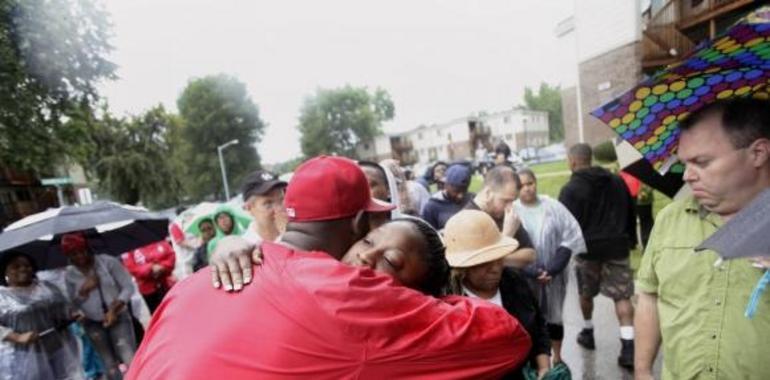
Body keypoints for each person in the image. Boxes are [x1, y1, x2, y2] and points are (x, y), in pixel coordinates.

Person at [127, 156, 531, 379]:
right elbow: (507, 336)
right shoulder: (346, 299)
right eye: (370, 238)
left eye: (391, 262)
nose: (366, 262)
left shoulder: (189, 288)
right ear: (358, 225)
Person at [635, 98, 770, 380]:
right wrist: (643, 370)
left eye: (702, 162)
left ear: (758, 153)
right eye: (684, 162)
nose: (687, 175)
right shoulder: (670, 220)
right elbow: (649, 295)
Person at [443, 210, 551, 380]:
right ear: (462, 267)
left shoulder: (514, 281)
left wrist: (544, 368)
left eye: (498, 258)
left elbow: (539, 326)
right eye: (484, 262)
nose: (495, 268)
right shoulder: (446, 304)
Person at [559, 143, 636, 369]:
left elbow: (566, 224)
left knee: (586, 293)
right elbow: (630, 210)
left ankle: (588, 331)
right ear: (590, 158)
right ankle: (628, 348)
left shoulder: (570, 189)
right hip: (617, 246)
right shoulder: (616, 180)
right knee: (622, 296)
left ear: (572, 161)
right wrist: (629, 239)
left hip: (587, 250)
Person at [515, 168, 586, 365]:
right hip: (525, 275)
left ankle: (557, 355)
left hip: (555, 275)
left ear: (535, 182)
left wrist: (553, 268)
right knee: (530, 317)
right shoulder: (512, 211)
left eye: (530, 183)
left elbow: (571, 234)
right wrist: (531, 271)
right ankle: (534, 359)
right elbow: (508, 246)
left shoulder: (553, 206)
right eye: (521, 186)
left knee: (555, 316)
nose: (527, 189)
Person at [62, 232, 137, 380]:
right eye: (73, 254)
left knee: (129, 357)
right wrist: (84, 291)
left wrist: (115, 309)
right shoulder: (69, 275)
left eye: (82, 251)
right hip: (92, 323)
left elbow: (128, 287)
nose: (80, 257)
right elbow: (71, 303)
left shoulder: (107, 262)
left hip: (119, 316)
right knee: (108, 364)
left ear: (88, 248)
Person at [0, 251, 84, 380]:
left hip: (59, 347)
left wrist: (71, 316)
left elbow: (63, 309)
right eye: (16, 266)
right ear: (5, 272)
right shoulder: (2, 296)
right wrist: (17, 337)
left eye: (26, 265)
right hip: (25, 355)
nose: (23, 269)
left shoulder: (46, 287)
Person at [463, 165, 536, 268]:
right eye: (506, 201)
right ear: (488, 193)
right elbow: (481, 267)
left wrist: (498, 259)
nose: (510, 207)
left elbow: (530, 255)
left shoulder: (505, 215)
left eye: (513, 201)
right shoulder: (465, 220)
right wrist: (507, 236)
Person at [121, 240, 176, 313]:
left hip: (167, 284)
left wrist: (162, 267)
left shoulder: (159, 240)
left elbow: (171, 255)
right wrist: (150, 268)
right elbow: (131, 267)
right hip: (148, 289)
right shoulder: (129, 248)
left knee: (175, 309)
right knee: (158, 313)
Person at [239, 170, 288, 245]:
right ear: (249, 208)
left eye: (281, 200)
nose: (279, 208)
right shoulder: (246, 246)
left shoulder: (301, 235)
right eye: (268, 203)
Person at [421, 163, 474, 230]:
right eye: (456, 191)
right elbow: (430, 236)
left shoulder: (472, 200)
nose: (460, 196)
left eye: (464, 190)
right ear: (446, 185)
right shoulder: (431, 207)